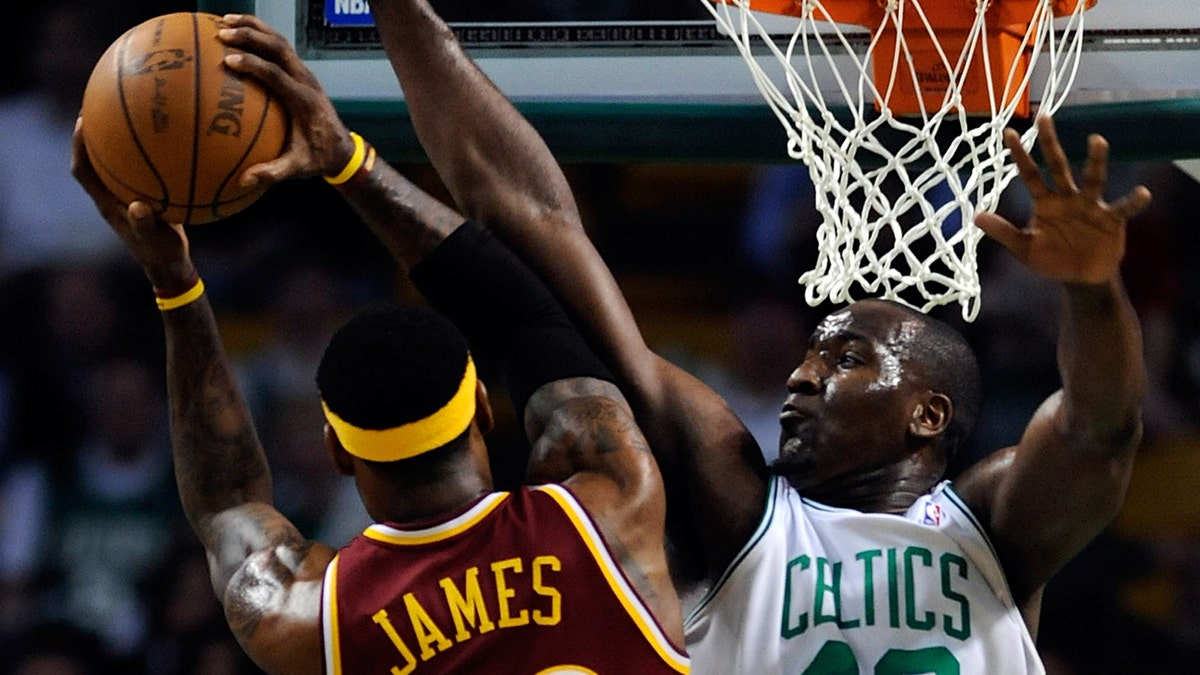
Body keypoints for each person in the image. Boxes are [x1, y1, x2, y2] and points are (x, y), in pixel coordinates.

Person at [216, 2, 1150, 672]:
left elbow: (1100, 428)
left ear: (928, 413)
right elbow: (541, 227)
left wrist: (1093, 290)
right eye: (814, 349)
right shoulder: (730, 497)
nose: (801, 374)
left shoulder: (990, 521)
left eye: (847, 357)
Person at [71, 78, 689, 675]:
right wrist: (348, 161)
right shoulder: (610, 509)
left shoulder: (315, 615)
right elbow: (525, 317)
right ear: (481, 406)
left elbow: (229, 503)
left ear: (337, 450)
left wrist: (174, 283)